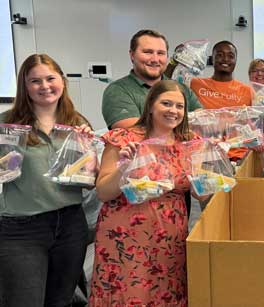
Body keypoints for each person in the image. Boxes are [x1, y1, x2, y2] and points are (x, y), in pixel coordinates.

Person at [89, 80, 207, 306]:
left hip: (169, 239)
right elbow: (103, 192)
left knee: (164, 294)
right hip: (124, 238)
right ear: (150, 105)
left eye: (179, 106)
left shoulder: (190, 143)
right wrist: (124, 167)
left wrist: (212, 164)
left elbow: (200, 195)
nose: (173, 111)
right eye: (166, 103)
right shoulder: (124, 139)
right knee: (126, 295)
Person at [0, 54, 92, 306]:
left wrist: (89, 152)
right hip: (22, 228)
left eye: (51, 78)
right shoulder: (6, 124)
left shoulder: (78, 124)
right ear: (25, 86)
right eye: (35, 81)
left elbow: (88, 180)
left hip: (71, 225)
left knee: (60, 301)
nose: (45, 86)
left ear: (62, 81)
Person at [102, 29, 202, 130]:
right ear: (132, 55)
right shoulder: (118, 91)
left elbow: (203, 125)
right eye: (148, 52)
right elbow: (133, 132)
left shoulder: (182, 89)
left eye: (161, 53)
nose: (155, 59)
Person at [190, 40, 255, 160]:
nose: (225, 59)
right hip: (203, 155)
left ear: (236, 60)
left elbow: (257, 126)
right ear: (212, 59)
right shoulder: (195, 84)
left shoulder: (246, 90)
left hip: (236, 156)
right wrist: (175, 61)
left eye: (230, 56)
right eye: (220, 55)